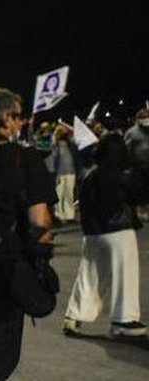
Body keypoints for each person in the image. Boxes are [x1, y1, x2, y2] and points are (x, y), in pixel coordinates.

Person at [0, 88, 56, 381]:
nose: (21, 123)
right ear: (6, 119)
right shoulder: (24, 157)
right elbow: (39, 220)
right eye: (18, 117)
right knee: (1, 358)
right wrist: (40, 260)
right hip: (9, 265)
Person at [63, 133, 147, 337]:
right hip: (119, 230)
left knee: (89, 275)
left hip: (92, 233)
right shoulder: (120, 175)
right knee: (125, 275)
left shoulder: (88, 176)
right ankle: (123, 320)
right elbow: (139, 195)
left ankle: (74, 315)